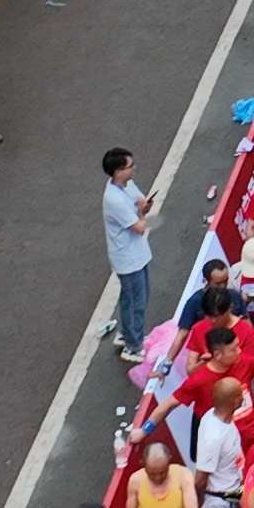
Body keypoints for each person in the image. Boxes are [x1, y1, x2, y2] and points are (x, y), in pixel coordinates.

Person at [104, 145, 161, 359]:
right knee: (138, 299)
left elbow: (140, 200)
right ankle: (133, 346)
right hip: (127, 258)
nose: (134, 169)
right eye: (130, 166)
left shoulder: (125, 185)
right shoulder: (114, 199)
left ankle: (126, 333)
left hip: (135, 253)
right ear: (118, 171)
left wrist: (144, 206)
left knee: (129, 297)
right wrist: (146, 217)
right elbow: (138, 227)